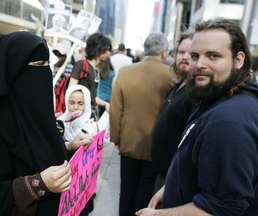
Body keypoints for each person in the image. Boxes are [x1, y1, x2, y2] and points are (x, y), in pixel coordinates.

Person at [136, 18, 258, 216]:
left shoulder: (228, 122)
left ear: (239, 60)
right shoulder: (215, 96)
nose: (199, 64)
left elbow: (221, 208)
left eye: (213, 56)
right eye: (195, 55)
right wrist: (167, 189)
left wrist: (159, 215)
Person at [0, 31, 74, 215]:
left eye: (47, 64)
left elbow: (37, 150)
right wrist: (36, 185)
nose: (45, 72)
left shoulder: (32, 112)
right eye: (39, 65)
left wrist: (70, 147)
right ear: (13, 70)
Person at [109, 32, 176, 216]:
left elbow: (115, 109)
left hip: (129, 141)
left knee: (127, 190)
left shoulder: (126, 72)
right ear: (164, 52)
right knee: (145, 192)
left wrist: (116, 137)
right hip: (155, 145)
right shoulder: (171, 76)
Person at [151, 31, 195, 192]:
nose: (185, 57)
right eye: (181, 52)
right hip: (162, 171)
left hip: (174, 178)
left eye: (191, 53)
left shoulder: (196, 93)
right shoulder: (178, 86)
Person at [68, 32, 112, 117]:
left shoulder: (96, 70)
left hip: (91, 115)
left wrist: (105, 104)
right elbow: (71, 90)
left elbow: (92, 97)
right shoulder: (81, 65)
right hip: (79, 116)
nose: (109, 53)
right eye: (106, 50)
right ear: (98, 49)